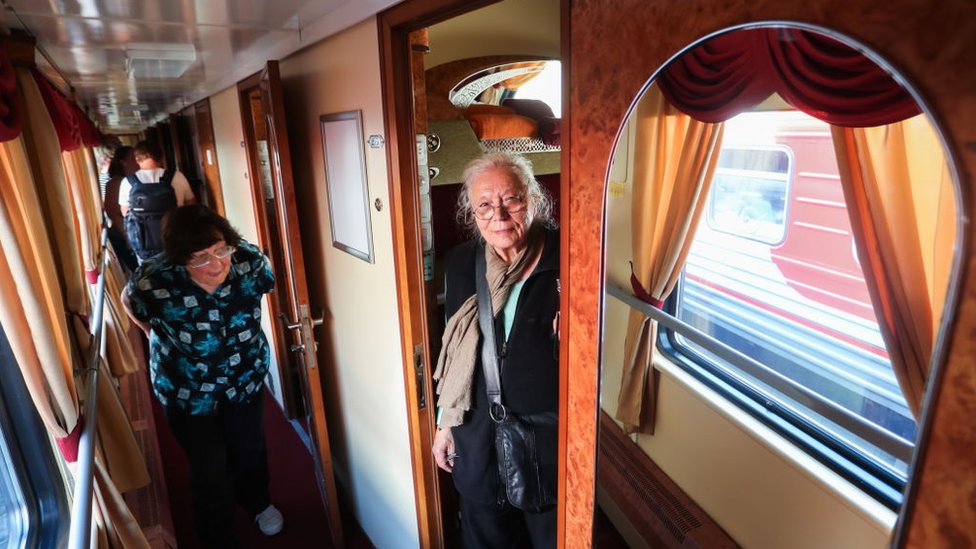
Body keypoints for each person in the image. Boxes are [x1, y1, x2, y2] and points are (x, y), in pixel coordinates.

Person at [121, 205, 283, 547]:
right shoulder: (154, 279)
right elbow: (129, 302)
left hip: (244, 379)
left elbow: (265, 288)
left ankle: (257, 502)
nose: (216, 264)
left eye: (220, 250)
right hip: (186, 389)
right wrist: (154, 336)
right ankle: (218, 536)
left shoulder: (249, 261)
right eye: (200, 258)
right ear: (179, 259)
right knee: (209, 469)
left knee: (249, 449)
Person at [432, 152, 559, 548]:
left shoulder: (569, 260)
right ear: (472, 212)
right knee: (485, 537)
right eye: (484, 205)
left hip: (546, 438)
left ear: (534, 200)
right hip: (476, 431)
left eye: (512, 201)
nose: (499, 216)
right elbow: (455, 351)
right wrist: (445, 423)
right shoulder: (460, 264)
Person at [118, 140, 196, 262]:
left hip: (144, 244)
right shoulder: (177, 176)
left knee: (150, 276)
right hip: (176, 239)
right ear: (161, 157)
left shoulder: (128, 182)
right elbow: (191, 204)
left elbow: (125, 212)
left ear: (137, 160)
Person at [102, 145, 140, 273]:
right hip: (124, 237)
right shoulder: (115, 183)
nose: (137, 160)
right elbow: (113, 213)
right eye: (133, 158)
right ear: (123, 162)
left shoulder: (133, 180)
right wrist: (128, 238)